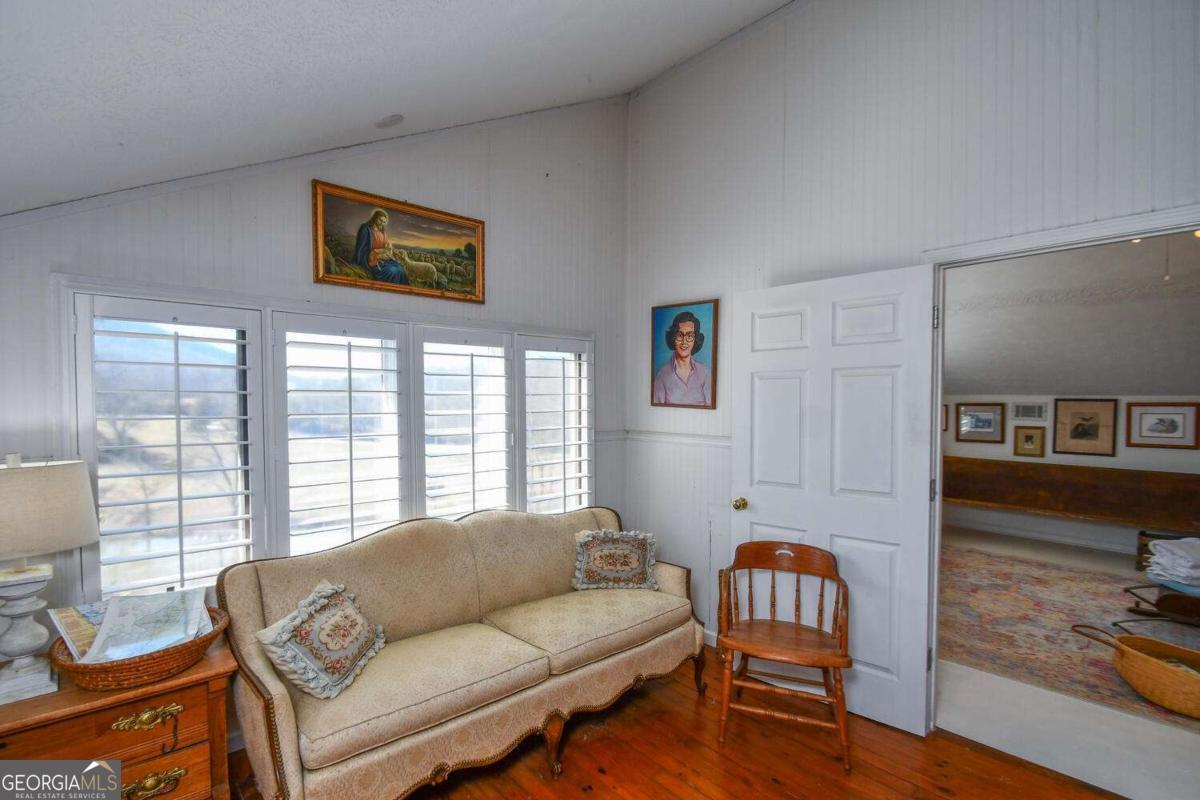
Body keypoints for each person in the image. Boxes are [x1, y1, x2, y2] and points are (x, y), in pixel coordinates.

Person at [652, 310, 712, 406]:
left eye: (689, 336)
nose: (684, 341)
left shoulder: (705, 374)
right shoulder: (662, 376)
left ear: (695, 339)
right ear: (673, 338)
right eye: (680, 335)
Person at [353, 209, 409, 284]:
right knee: (392, 271)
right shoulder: (366, 229)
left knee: (400, 269)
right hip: (370, 259)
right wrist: (376, 255)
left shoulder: (383, 232)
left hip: (383, 259)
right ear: (375, 218)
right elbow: (361, 249)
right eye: (380, 220)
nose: (382, 223)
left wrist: (389, 249)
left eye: (384, 222)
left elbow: (386, 246)